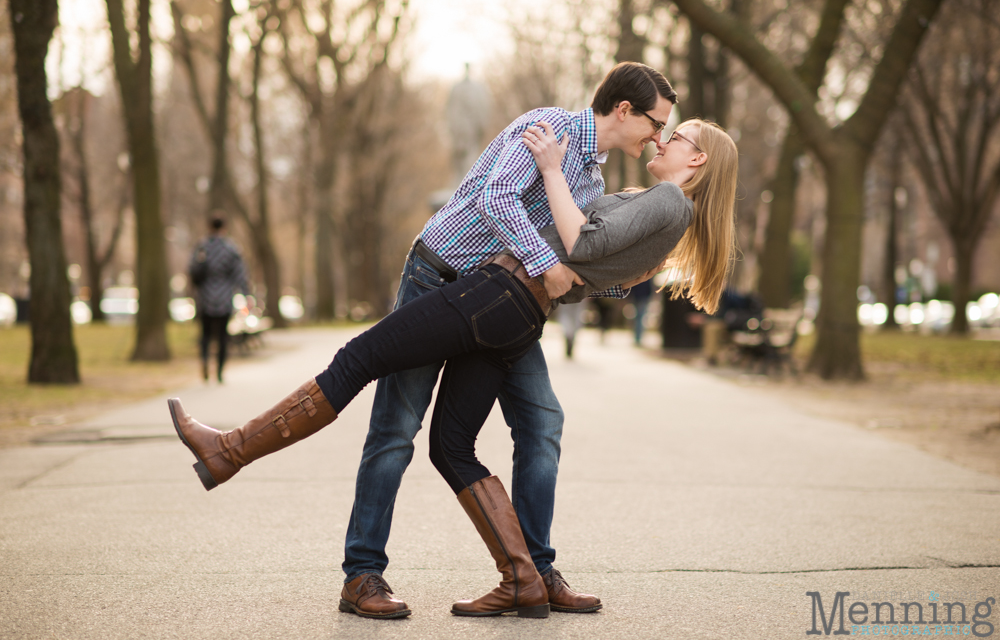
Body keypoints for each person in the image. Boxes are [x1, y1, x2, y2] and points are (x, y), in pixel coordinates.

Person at [168, 117, 739, 618]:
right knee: (451, 445)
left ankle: (232, 449)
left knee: (361, 358)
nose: (661, 137)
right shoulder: (661, 207)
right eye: (660, 125)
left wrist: (552, 174)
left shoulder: (666, 201)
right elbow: (605, 273)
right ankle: (523, 578)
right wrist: (574, 274)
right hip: (518, 312)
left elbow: (584, 242)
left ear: (698, 159)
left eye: (676, 134)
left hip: (495, 294)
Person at [336, 61, 677, 618]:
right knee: (396, 430)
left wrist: (623, 285)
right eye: (656, 123)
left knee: (542, 422)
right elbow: (498, 199)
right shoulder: (546, 127)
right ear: (623, 110)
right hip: (437, 281)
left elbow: (576, 265)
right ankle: (362, 575)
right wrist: (549, 263)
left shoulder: (590, 180)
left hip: (502, 308)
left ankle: (536, 573)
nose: (657, 136)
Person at [188, 211, 250, 383]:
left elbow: (192, 271)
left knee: (205, 335)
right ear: (224, 227)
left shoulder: (202, 247)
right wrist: (247, 295)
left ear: (209, 226)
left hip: (205, 298)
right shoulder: (231, 248)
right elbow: (240, 274)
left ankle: (205, 361)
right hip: (224, 298)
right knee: (223, 336)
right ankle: (220, 371)